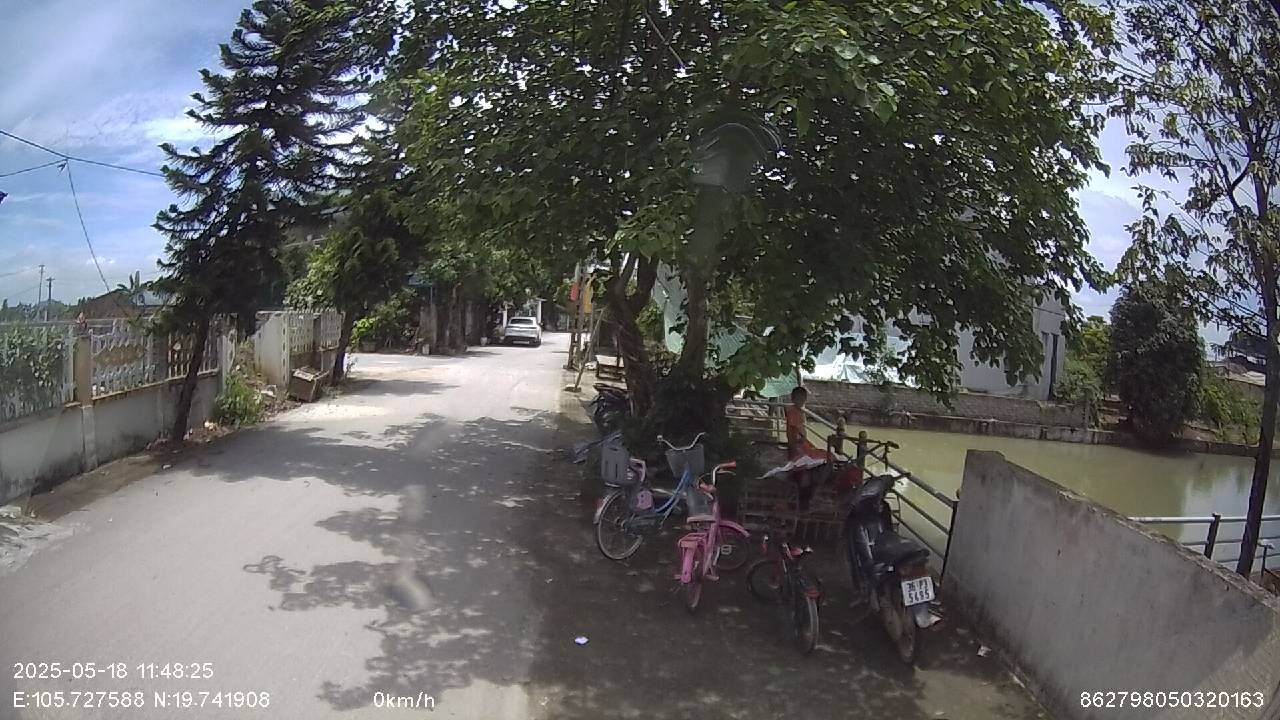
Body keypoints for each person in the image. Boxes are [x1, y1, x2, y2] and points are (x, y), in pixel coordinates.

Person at [784, 386, 824, 512]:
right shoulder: (793, 412)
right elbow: (794, 433)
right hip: (798, 447)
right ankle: (804, 499)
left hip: (803, 445)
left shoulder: (799, 412)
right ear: (793, 399)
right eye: (798, 398)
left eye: (803, 399)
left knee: (823, 457)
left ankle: (807, 497)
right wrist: (796, 446)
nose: (801, 401)